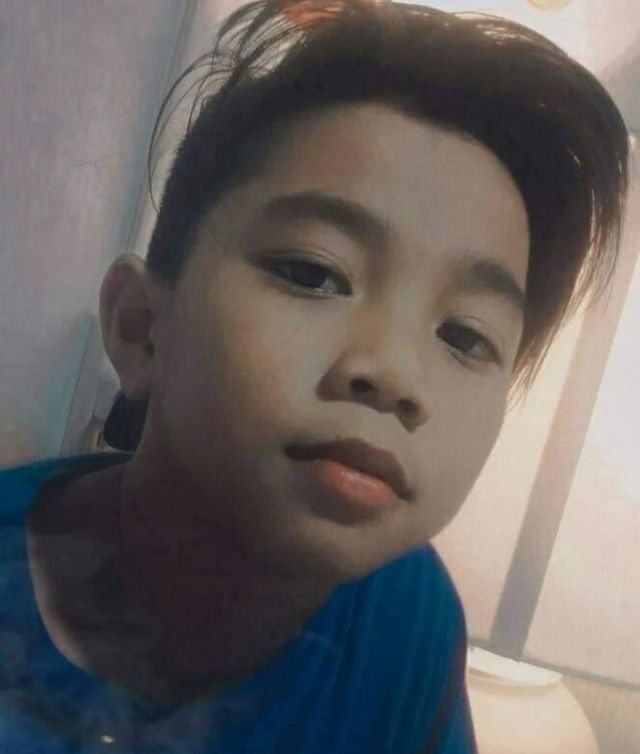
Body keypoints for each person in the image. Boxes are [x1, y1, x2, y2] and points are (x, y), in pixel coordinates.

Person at [0, 0, 628, 751]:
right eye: (313, 273)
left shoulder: (404, 614)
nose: (394, 374)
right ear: (141, 328)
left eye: (464, 336)